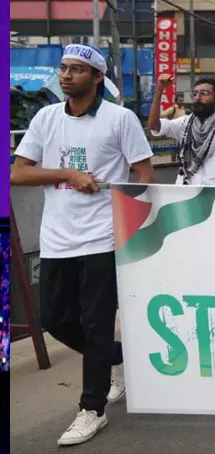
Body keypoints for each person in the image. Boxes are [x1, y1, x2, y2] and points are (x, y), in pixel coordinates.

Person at [11, 44, 155, 446]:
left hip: (102, 237)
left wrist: (132, 223)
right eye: (63, 68)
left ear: (96, 78)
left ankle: (92, 409)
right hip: (57, 239)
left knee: (95, 324)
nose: (66, 75)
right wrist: (68, 175)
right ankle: (116, 358)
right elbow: (17, 174)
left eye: (76, 69)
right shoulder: (45, 117)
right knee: (55, 320)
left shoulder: (119, 119)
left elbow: (143, 173)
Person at [149, 75, 215, 186]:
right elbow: (154, 126)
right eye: (195, 94)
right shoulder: (186, 123)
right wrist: (159, 91)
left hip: (213, 189)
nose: (197, 97)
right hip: (185, 187)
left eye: (204, 93)